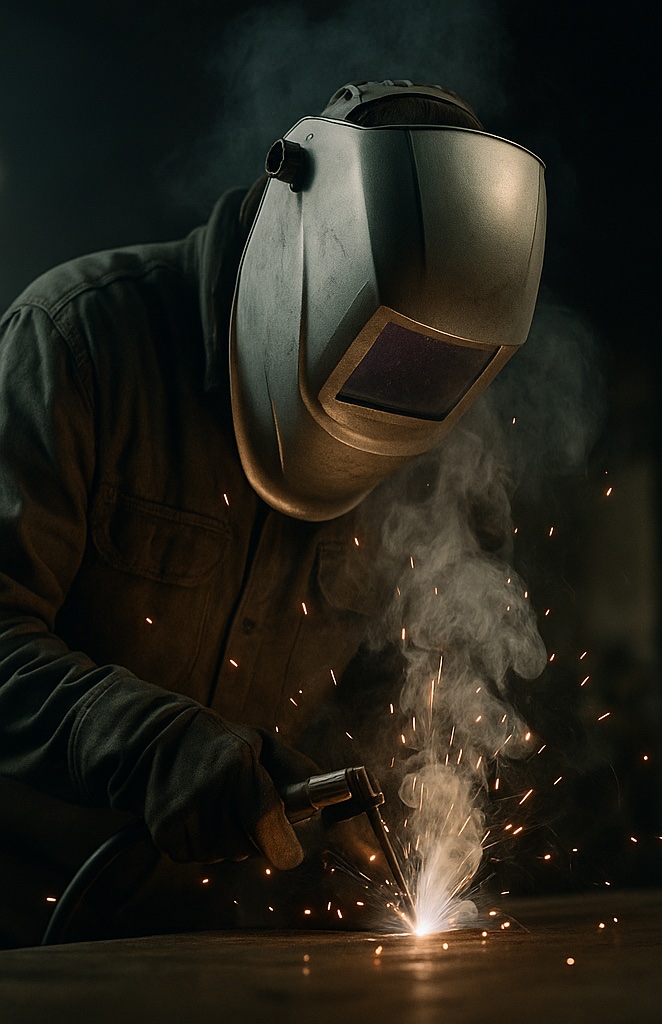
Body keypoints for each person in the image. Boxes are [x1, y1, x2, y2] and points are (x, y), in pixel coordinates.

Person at [0, 80, 546, 945]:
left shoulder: (427, 437)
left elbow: (386, 692)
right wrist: (152, 745)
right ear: (300, 246)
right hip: (26, 934)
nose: (391, 391)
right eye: (377, 345)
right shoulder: (77, 344)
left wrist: (395, 801)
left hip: (219, 949)